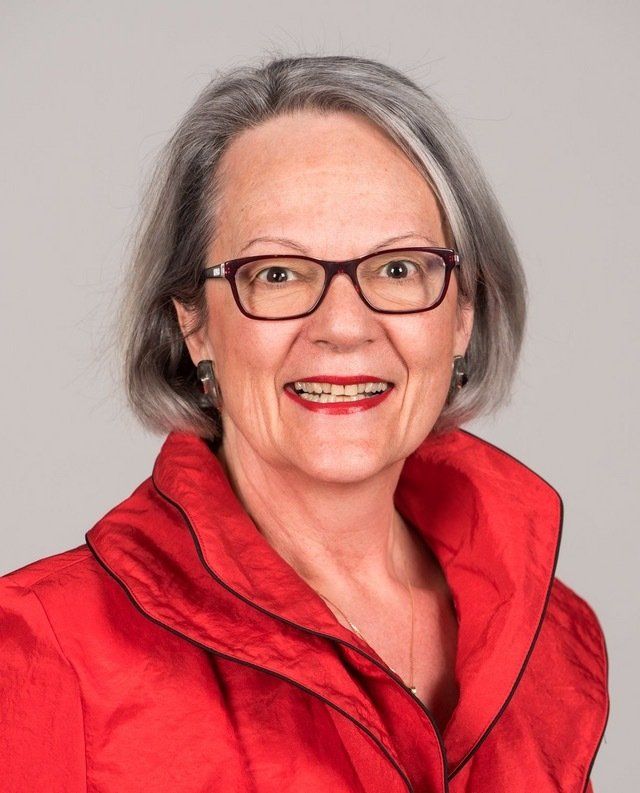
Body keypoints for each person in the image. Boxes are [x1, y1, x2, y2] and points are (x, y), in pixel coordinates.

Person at [0, 54, 609, 792]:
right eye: (278, 274)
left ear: (463, 315)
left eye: (398, 268)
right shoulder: (38, 649)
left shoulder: (548, 641)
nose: (344, 327)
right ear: (194, 323)